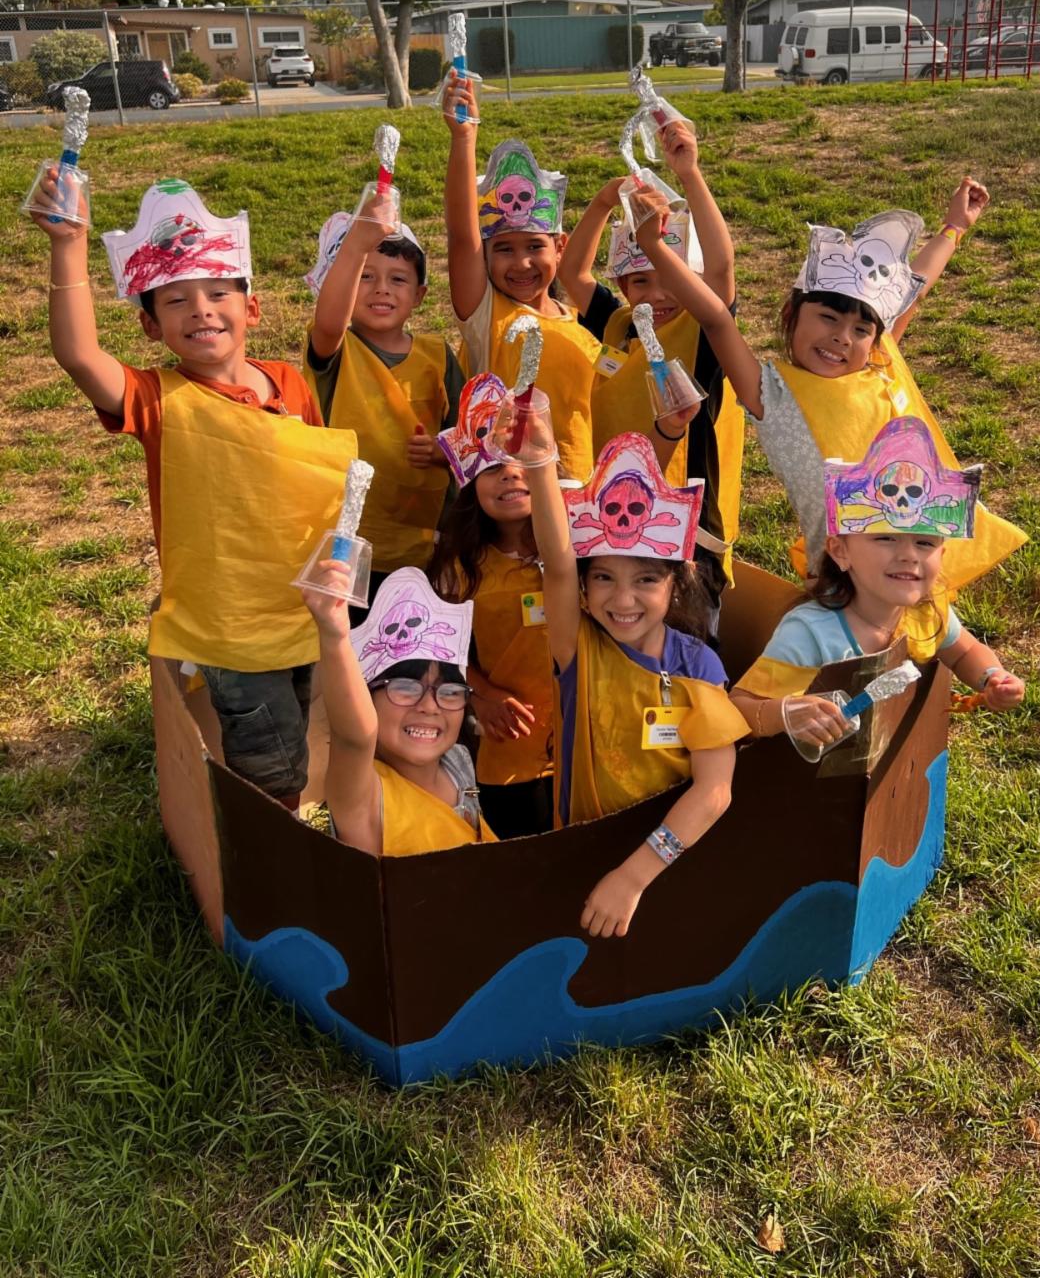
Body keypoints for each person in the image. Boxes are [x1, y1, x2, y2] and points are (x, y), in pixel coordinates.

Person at [31, 172, 355, 808]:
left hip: (303, 608)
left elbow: (320, 483)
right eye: (175, 301)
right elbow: (77, 354)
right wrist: (68, 245)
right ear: (152, 328)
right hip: (230, 625)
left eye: (215, 293)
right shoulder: (157, 399)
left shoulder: (289, 381)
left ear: (250, 309)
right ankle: (266, 865)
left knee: (296, 723)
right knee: (271, 768)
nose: (201, 309)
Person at [628, 177, 1027, 594]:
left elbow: (914, 290)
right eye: (828, 318)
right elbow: (716, 319)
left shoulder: (877, 365)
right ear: (791, 314)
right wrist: (655, 248)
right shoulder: (770, 391)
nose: (843, 337)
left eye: (860, 328)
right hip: (840, 583)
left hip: (912, 565)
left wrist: (954, 228)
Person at [506, 400, 747, 938]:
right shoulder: (576, 646)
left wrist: (634, 876)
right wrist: (541, 460)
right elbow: (558, 558)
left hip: (669, 853)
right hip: (579, 845)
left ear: (673, 585)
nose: (624, 599)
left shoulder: (699, 666)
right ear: (585, 593)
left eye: (645, 580)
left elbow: (714, 791)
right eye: (605, 579)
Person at [732, 417, 1025, 749]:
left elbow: (965, 652)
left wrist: (992, 677)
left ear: (942, 556)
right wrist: (785, 713)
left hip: (898, 768)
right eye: (886, 538)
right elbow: (739, 708)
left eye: (925, 543)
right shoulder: (810, 632)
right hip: (817, 786)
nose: (908, 555)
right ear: (841, 552)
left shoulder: (926, 612)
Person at [559, 119, 743, 616]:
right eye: (640, 281)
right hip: (610, 522)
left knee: (687, 650)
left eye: (668, 277)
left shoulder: (701, 331)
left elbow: (723, 272)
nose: (656, 294)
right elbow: (572, 274)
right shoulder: (618, 325)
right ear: (623, 287)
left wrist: (691, 176)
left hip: (685, 535)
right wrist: (602, 203)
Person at [442, 74, 600, 480]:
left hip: (578, 497)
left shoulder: (581, 323)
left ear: (560, 247)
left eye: (534, 246)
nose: (522, 264)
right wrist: (464, 140)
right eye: (504, 250)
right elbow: (462, 238)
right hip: (507, 499)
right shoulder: (487, 316)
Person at [303, 205, 463, 588]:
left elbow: (468, 434)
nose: (381, 289)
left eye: (398, 279)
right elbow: (329, 321)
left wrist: (444, 451)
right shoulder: (335, 348)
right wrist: (356, 245)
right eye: (364, 276)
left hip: (425, 541)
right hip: (346, 541)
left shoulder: (437, 356)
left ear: (420, 294)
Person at [426, 373, 557, 838]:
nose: (509, 474)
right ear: (469, 488)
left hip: (585, 735)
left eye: (521, 461)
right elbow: (443, 649)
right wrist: (484, 696)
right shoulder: (461, 569)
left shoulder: (576, 550)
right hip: (507, 742)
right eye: (491, 468)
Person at [299, 563, 496, 854]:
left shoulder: (458, 761)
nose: (429, 706)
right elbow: (354, 739)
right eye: (405, 687)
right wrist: (334, 636)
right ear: (367, 698)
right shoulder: (363, 794)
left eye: (451, 691)